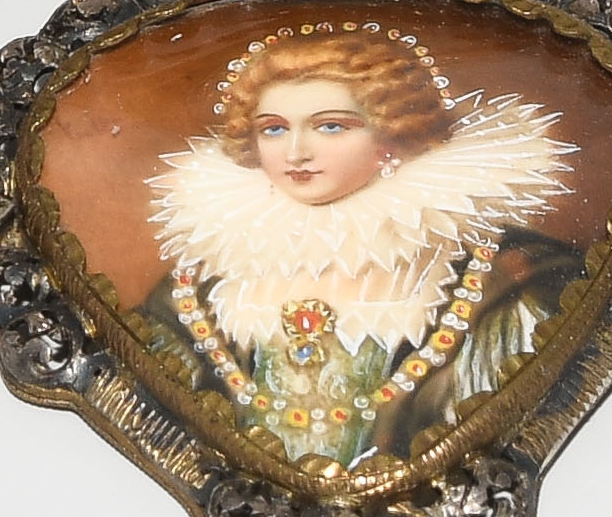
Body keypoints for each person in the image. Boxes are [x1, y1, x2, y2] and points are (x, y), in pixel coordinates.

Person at [137, 23, 582, 472]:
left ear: (393, 135)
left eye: (330, 126)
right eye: (273, 129)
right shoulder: (202, 282)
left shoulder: (495, 276)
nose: (296, 152)